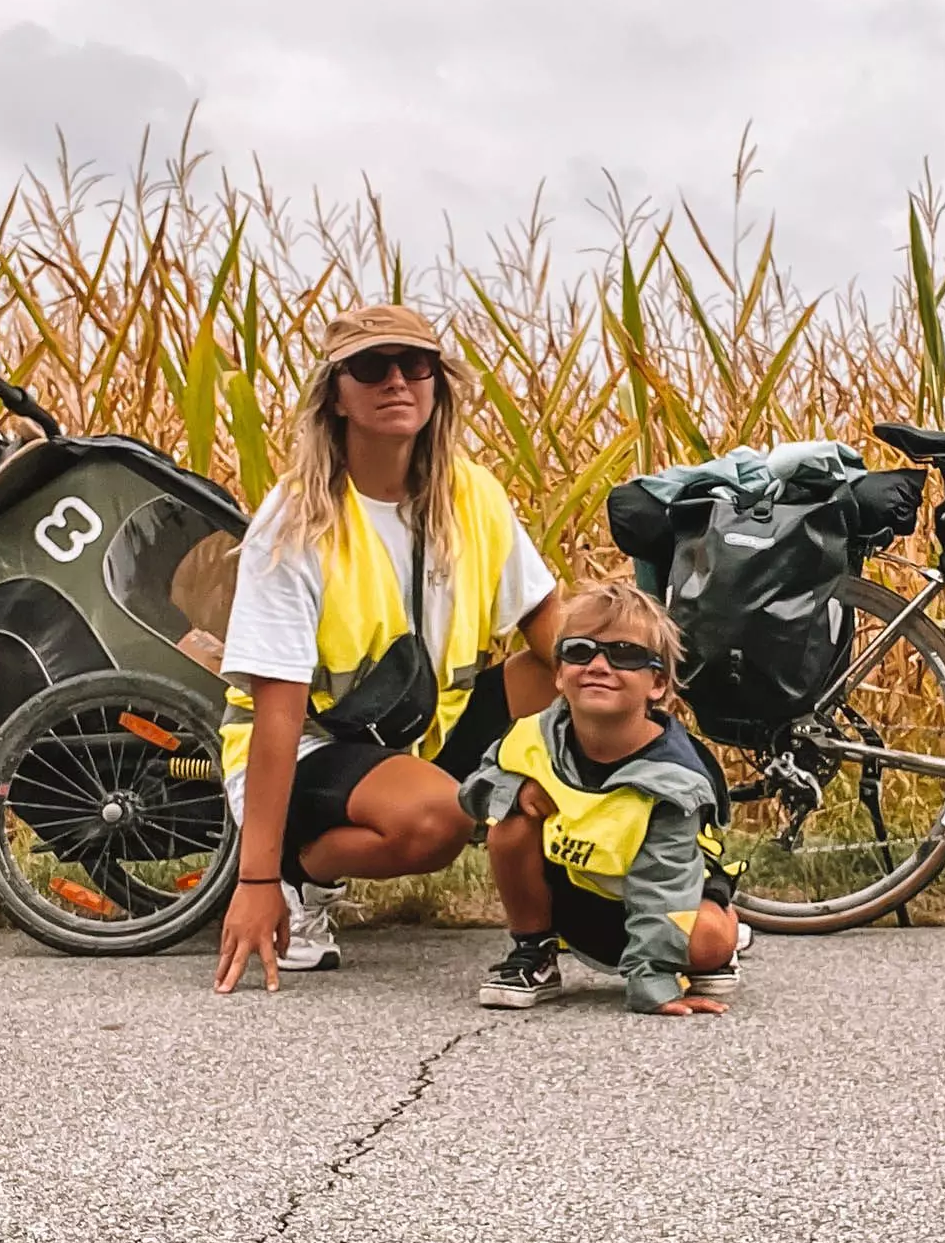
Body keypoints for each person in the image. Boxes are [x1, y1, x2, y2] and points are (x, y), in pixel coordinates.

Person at [213, 304, 561, 992]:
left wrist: (626, 668)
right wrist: (254, 877)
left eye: (416, 364)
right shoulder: (297, 520)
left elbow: (548, 622)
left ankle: (652, 893)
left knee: (587, 678)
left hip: (424, 734)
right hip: (311, 747)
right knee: (439, 816)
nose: (396, 381)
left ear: (438, 385)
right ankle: (297, 875)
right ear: (336, 394)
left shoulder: (473, 495)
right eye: (371, 367)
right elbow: (278, 714)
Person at [460, 582, 746, 1016]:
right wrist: (513, 790)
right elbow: (472, 791)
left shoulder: (675, 779)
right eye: (579, 651)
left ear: (658, 684)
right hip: (570, 891)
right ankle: (533, 950)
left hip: (659, 897)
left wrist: (653, 982)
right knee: (511, 822)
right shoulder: (530, 736)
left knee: (708, 940)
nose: (598, 665)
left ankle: (722, 923)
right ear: (558, 673)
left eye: (625, 655)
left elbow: (662, 886)